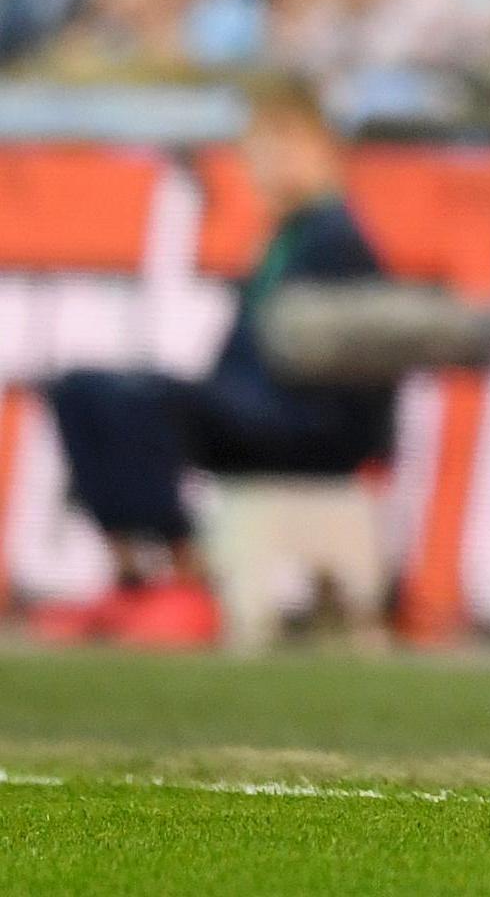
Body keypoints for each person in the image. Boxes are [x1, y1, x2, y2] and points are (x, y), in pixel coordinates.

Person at [33, 74, 394, 646]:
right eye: (261, 147)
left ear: (327, 150)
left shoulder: (336, 237)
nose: (271, 163)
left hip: (306, 424)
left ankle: (186, 574)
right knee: (81, 389)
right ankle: (131, 573)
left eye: (287, 143)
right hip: (257, 407)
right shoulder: (287, 238)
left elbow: (339, 367)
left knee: (142, 404)